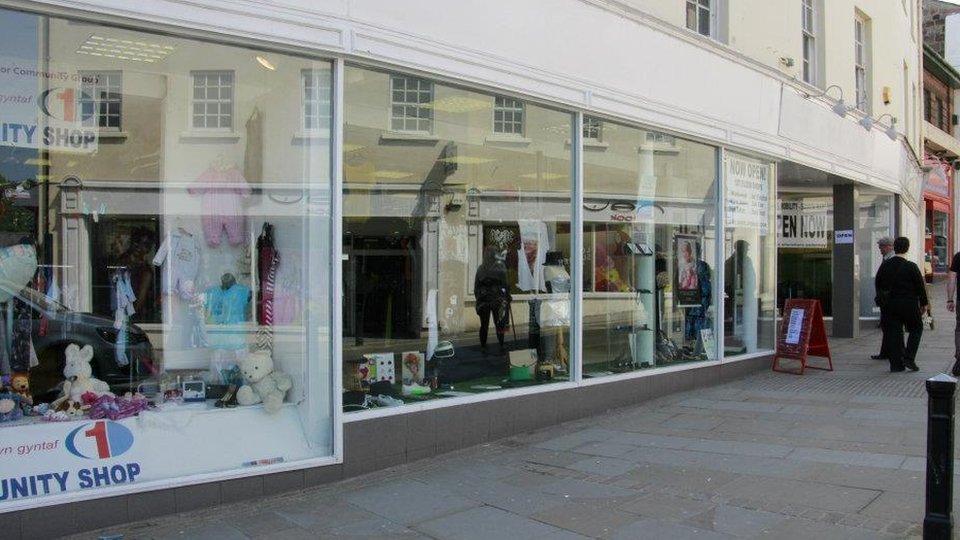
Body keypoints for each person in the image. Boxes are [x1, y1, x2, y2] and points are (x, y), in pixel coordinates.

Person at [875, 237, 927, 372]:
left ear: (894, 247)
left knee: (894, 333)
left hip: (890, 305)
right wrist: (924, 303)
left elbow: (878, 283)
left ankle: (896, 365)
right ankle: (909, 358)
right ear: (907, 248)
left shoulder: (885, 265)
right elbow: (920, 286)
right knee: (916, 328)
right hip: (909, 304)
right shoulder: (911, 266)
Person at [475, 246, 511, 354]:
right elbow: (506, 285)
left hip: (494, 300)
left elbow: (505, 285)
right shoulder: (485, 268)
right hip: (488, 300)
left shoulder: (495, 267)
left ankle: (493, 344)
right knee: (494, 324)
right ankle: (494, 344)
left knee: (495, 324)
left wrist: (507, 295)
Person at [871, 236, 895, 361]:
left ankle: (891, 352)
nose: (880, 249)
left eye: (881, 247)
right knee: (886, 325)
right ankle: (885, 352)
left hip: (888, 299)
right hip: (884, 298)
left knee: (889, 326)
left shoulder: (891, 260)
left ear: (889, 247)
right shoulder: (886, 259)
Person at [947, 249, 960, 376]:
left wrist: (950, 299)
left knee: (959, 329)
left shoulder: (958, 257)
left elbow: (951, 279)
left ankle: (959, 358)